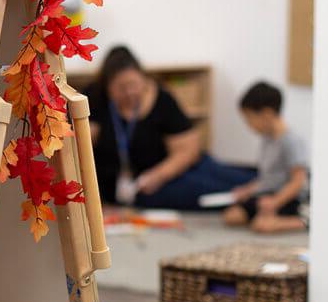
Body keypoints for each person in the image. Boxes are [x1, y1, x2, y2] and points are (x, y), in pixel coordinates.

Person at [86, 46, 255, 209]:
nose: (130, 92)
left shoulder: (162, 100)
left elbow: (188, 149)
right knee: (218, 194)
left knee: (242, 179)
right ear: (108, 87)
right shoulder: (93, 100)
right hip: (140, 190)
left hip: (173, 170)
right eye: (122, 88)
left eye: (134, 84)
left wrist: (158, 175)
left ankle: (270, 188)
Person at [223, 81, 309, 233]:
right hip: (266, 195)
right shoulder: (267, 139)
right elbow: (267, 178)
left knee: (262, 226)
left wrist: (276, 201)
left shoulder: (292, 141)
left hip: (287, 198)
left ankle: (303, 222)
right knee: (232, 216)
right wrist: (247, 190)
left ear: (267, 114)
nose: (248, 125)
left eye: (249, 119)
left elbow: (298, 181)